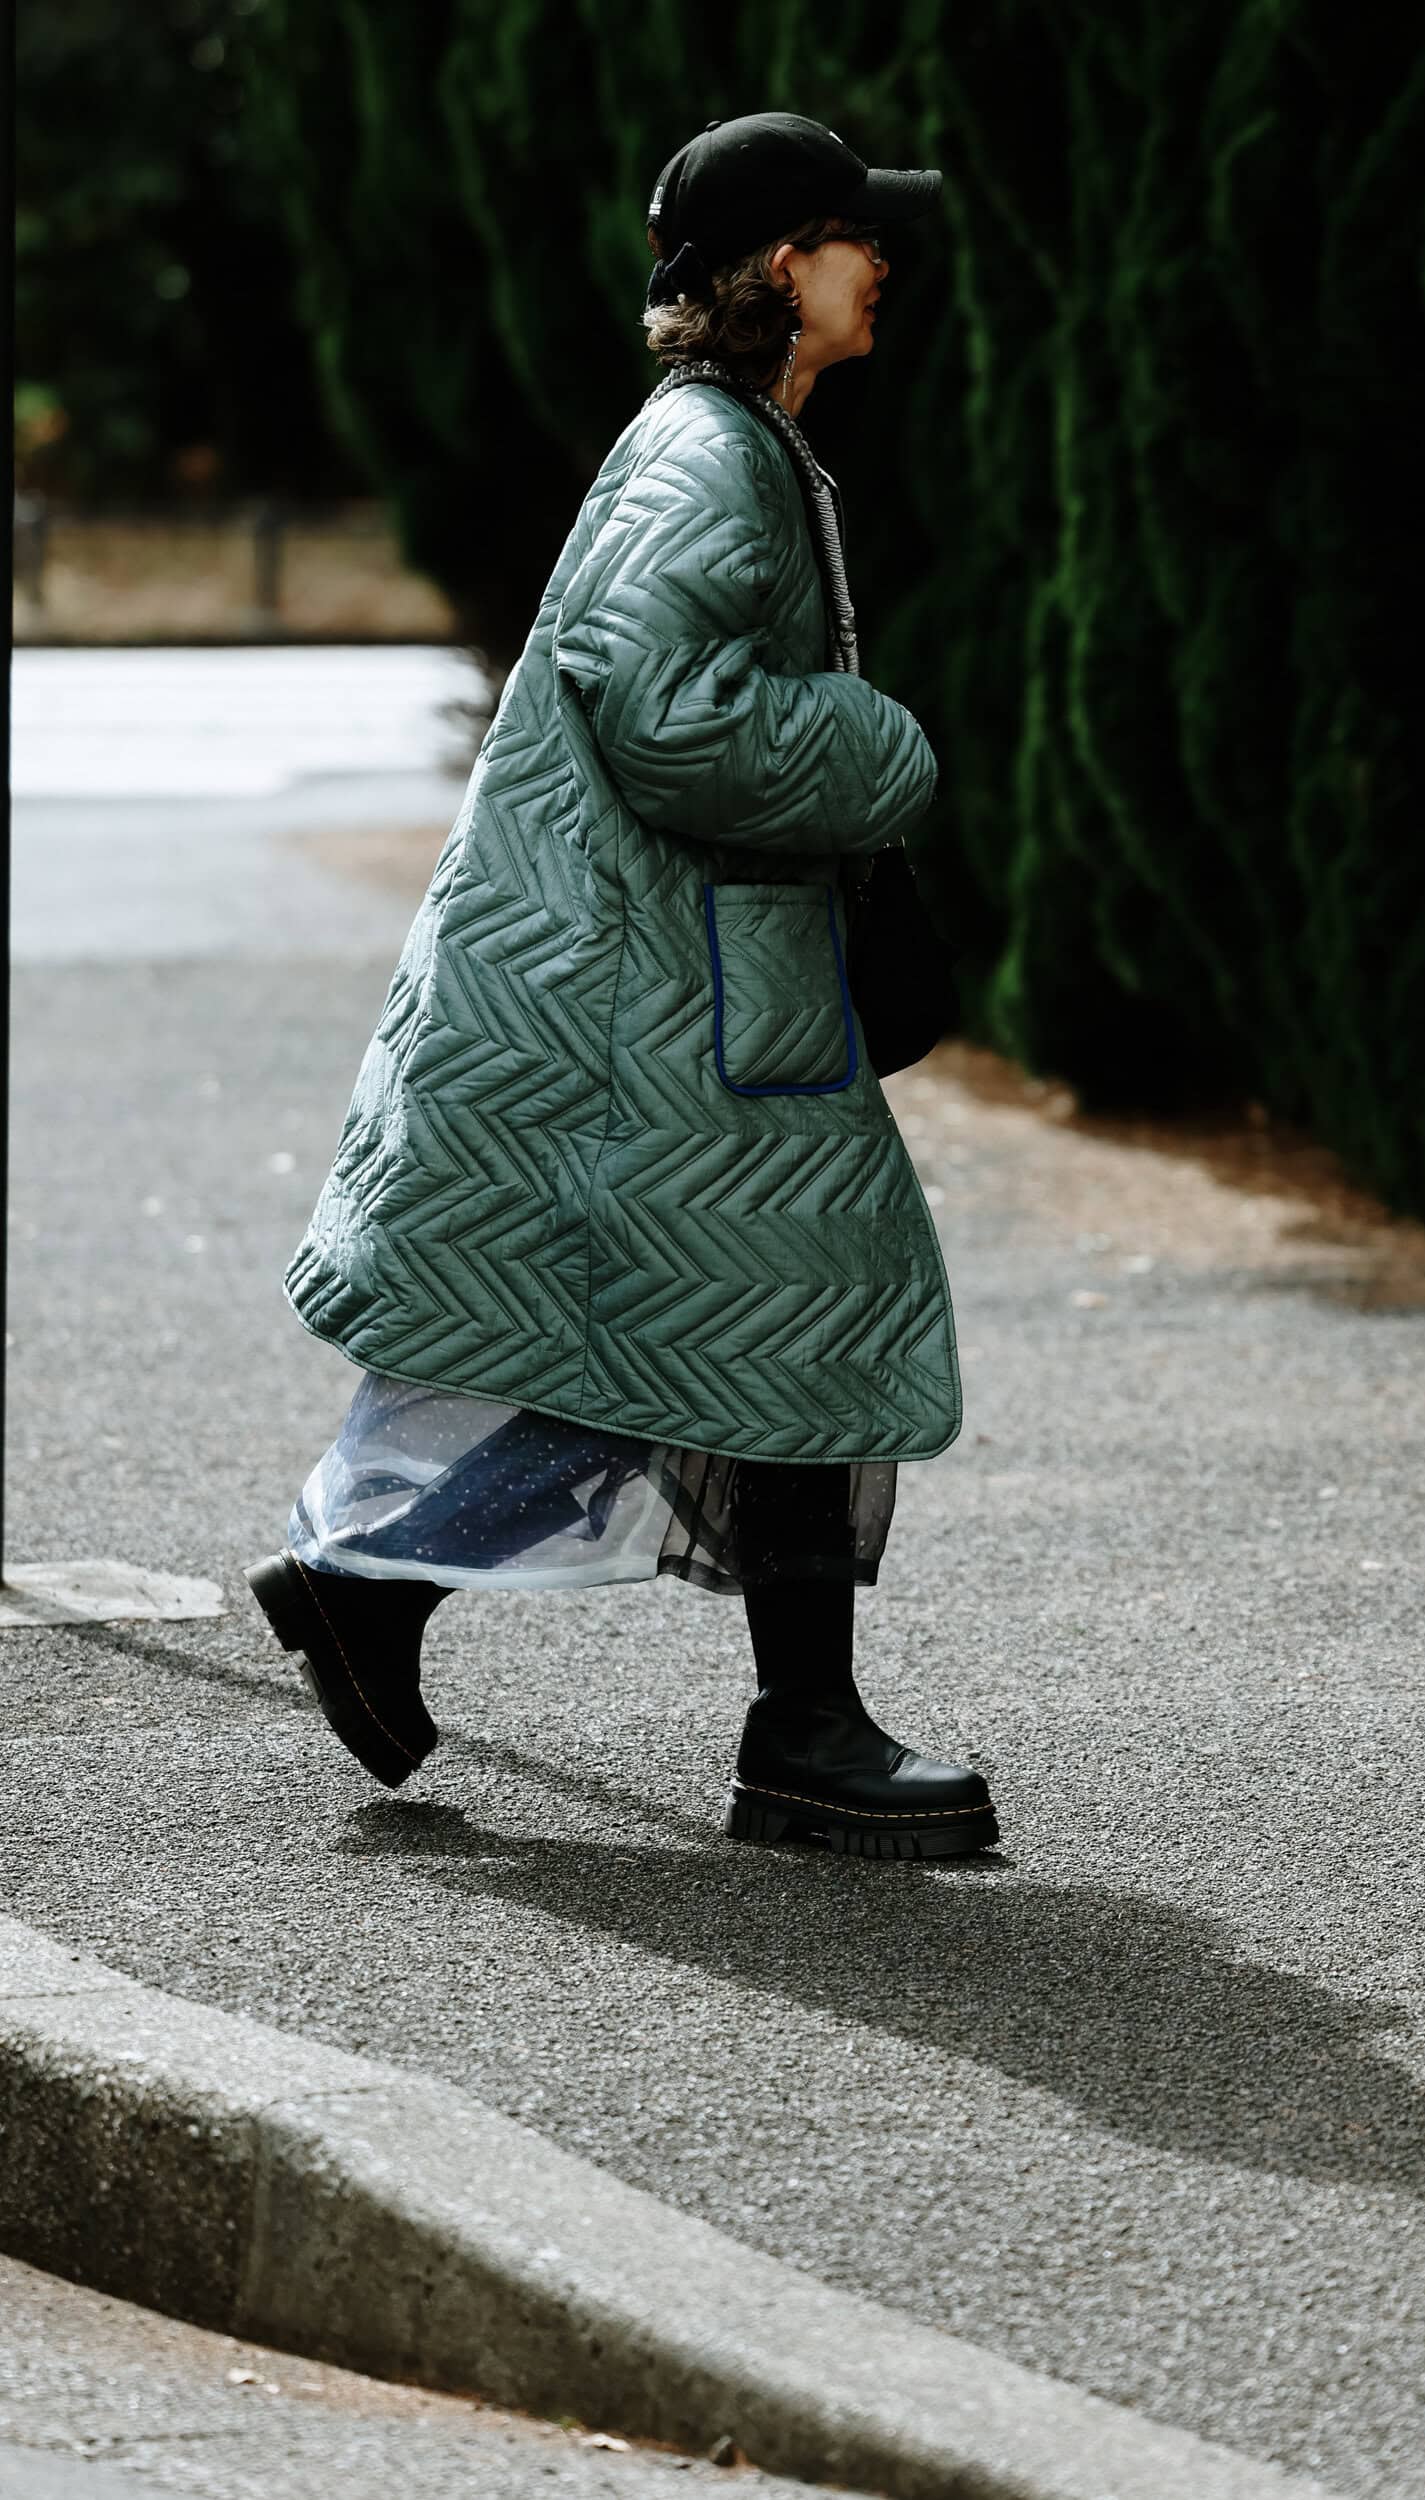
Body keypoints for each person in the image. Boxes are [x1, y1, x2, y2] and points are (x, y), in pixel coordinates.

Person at [246, 111, 998, 1863]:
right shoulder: (706, 457)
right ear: (770, 269)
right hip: (659, 1005)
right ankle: (796, 1735)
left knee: (704, 1319)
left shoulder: (733, 440)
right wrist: (880, 747)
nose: (878, 259)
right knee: (780, 1305)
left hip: (689, 989)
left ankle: (377, 1589)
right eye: (846, 234)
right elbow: (667, 712)